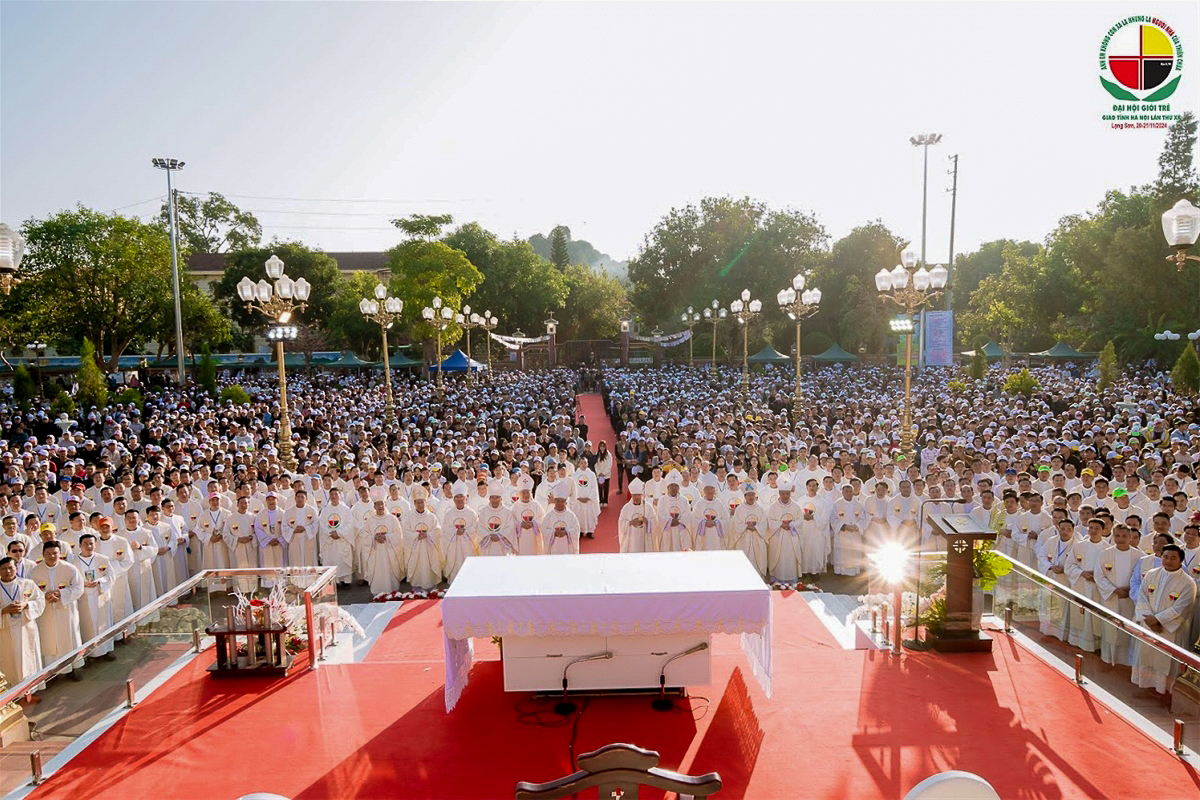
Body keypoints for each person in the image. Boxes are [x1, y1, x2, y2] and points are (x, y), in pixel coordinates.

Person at [1131, 544, 1198, 694]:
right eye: (1165, 557)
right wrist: (1148, 619)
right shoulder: (1151, 574)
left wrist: (1158, 620)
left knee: (1166, 661)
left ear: (1181, 560)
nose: (1168, 560)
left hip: (1170, 630)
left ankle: (1164, 691)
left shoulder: (1188, 583)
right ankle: (1145, 688)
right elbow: (1142, 597)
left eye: (1173, 558)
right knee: (1146, 657)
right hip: (1149, 626)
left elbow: (1181, 608)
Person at [30, 540, 84, 679]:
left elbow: (78, 588)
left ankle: (71, 669)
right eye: (48, 553)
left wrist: (60, 594)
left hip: (65, 611)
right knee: (49, 642)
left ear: (60, 553)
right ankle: (51, 673)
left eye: (55, 553)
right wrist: (45, 596)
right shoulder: (35, 572)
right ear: (42, 554)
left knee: (68, 639)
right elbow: (30, 593)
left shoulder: (70, 569)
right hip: (46, 613)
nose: (51, 556)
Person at [0, 554, 46, 701]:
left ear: (16, 568)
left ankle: (29, 692)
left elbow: (40, 600)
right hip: (5, 632)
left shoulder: (27, 584)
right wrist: (3, 611)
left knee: (28, 659)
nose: (7, 571)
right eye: (4, 569)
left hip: (25, 629)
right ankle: (11, 695)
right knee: (9, 661)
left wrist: (26, 605)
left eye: (10, 568)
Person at [1096, 523, 1140, 666]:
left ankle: (1127, 660)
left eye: (1124, 536)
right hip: (1112, 598)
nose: (1120, 539)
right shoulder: (1105, 554)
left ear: (1130, 537)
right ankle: (1108, 658)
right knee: (1110, 630)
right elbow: (1099, 576)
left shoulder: (1139, 556)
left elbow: (1142, 578)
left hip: (1129, 599)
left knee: (1127, 629)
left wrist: (1130, 590)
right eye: (1117, 536)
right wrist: (1114, 590)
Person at [68, 532, 116, 661]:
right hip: (83, 598)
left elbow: (111, 575)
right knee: (86, 625)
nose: (88, 546)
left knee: (103, 623)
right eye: (85, 544)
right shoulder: (73, 563)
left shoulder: (103, 559)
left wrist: (100, 581)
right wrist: (81, 584)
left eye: (91, 543)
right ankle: (90, 654)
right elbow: (70, 581)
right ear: (80, 545)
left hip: (100, 595)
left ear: (95, 544)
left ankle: (106, 650)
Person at [402, 487, 443, 592]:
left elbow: (438, 531)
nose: (420, 505)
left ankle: (430, 586)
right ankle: (417, 586)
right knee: (417, 568)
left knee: (428, 569)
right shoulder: (410, 517)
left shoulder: (431, 517)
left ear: (426, 502)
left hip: (429, 549)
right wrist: (416, 536)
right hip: (416, 551)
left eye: (422, 502)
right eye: (418, 502)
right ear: (414, 503)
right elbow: (406, 533)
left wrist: (428, 535)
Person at [363, 498, 405, 595]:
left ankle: (392, 590)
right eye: (377, 504)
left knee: (390, 570)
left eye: (381, 504)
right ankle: (377, 592)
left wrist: (386, 537)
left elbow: (398, 535)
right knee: (378, 571)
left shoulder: (392, 519)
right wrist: (374, 537)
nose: (380, 506)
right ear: (374, 506)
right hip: (376, 552)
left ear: (385, 505)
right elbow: (365, 536)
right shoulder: (370, 520)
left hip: (389, 552)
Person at [767, 480, 803, 584]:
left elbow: (800, 521)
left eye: (787, 493)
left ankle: (792, 578)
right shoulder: (773, 507)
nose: (785, 496)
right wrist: (781, 525)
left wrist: (791, 525)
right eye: (783, 493)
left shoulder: (795, 506)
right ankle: (777, 578)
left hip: (791, 538)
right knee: (778, 557)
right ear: (779, 493)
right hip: (778, 538)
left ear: (790, 494)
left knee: (790, 557)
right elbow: (770, 521)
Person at [439, 487, 478, 582]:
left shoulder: (471, 513)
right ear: (453, 500)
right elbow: (445, 530)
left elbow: (476, 529)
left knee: (468, 576)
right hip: (454, 548)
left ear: (466, 498)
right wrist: (455, 531)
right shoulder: (449, 514)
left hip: (468, 547)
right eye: (457, 497)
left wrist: (465, 531)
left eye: (461, 497)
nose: (459, 499)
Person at [730, 485, 769, 579]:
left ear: (755, 496)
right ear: (745, 496)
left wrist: (756, 527)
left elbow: (764, 524)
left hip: (757, 539)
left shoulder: (760, 509)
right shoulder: (739, 509)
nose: (751, 497)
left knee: (757, 562)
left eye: (752, 495)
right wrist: (746, 526)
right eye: (748, 495)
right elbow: (735, 525)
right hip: (744, 539)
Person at [318, 487, 355, 587]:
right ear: (329, 497)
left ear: (340, 495)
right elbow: (322, 525)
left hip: (342, 539)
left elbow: (350, 524)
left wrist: (338, 533)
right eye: (332, 494)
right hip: (330, 540)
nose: (334, 496)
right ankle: (335, 582)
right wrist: (331, 533)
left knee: (343, 560)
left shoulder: (346, 510)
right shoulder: (325, 510)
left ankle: (346, 581)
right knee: (332, 559)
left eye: (336, 494)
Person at [541, 485, 581, 555]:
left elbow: (576, 530)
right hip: (553, 548)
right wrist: (553, 533)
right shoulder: (549, 516)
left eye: (562, 501)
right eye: (558, 501)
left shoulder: (571, 516)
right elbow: (544, 529)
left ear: (566, 503)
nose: (560, 503)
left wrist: (566, 532)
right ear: (554, 502)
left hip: (567, 548)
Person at [617, 479, 651, 553]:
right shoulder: (626, 508)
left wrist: (647, 521)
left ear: (642, 495)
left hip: (644, 538)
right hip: (631, 540)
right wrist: (630, 523)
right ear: (631, 495)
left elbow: (655, 522)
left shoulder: (648, 507)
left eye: (638, 495)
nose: (637, 497)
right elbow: (621, 523)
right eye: (634, 495)